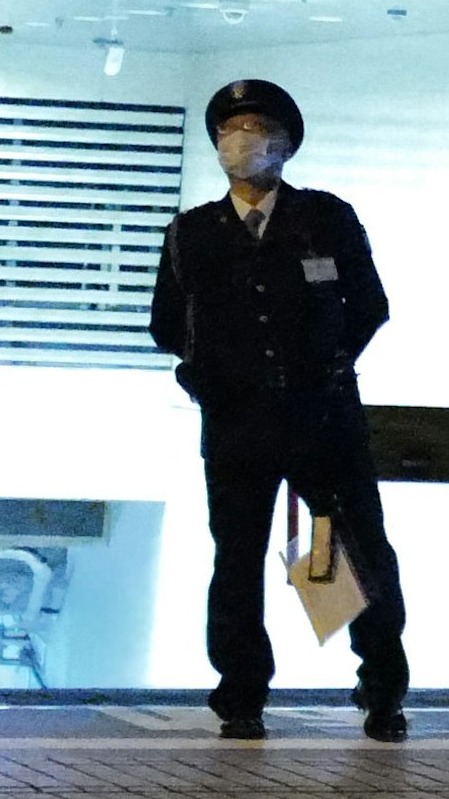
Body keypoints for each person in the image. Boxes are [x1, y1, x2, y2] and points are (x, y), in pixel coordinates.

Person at [147, 77, 410, 741]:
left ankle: (381, 688)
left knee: (339, 551)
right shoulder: (192, 233)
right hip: (236, 427)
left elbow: (370, 306)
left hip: (323, 424)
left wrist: (328, 368)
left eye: (259, 128)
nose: (244, 140)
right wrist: (208, 378)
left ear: (286, 144)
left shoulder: (324, 216)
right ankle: (242, 694)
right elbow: (167, 325)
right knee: (237, 557)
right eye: (232, 129)